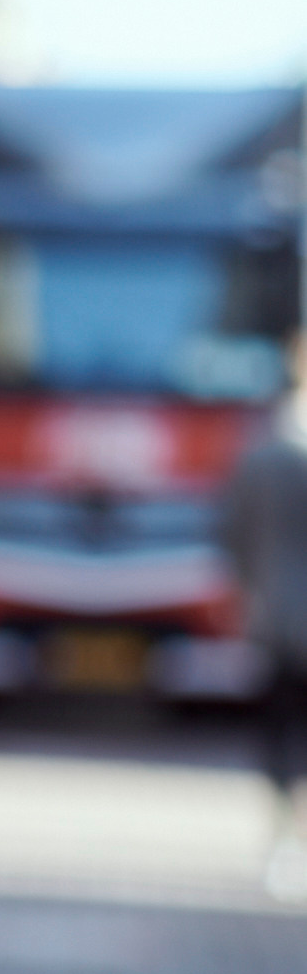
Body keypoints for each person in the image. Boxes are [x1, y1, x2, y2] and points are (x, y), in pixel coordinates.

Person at [217, 336, 307, 900]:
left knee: (279, 737)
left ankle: (283, 839)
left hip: (275, 618)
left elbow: (230, 539)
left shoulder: (259, 457)